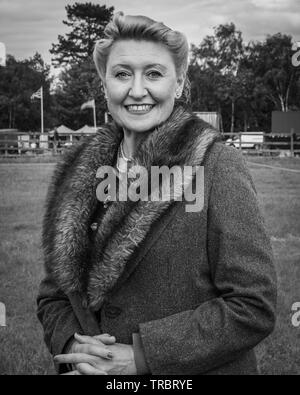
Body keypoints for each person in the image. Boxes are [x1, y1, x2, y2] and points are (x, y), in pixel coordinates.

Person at [37, 12, 277, 375]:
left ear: (178, 84)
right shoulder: (80, 173)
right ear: (104, 86)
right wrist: (74, 345)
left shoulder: (217, 165)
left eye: (153, 73)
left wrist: (142, 355)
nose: (136, 90)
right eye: (121, 74)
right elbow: (54, 294)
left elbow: (253, 305)